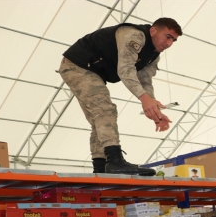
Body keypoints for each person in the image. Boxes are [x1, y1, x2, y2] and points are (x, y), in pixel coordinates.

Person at [60, 18, 182, 175]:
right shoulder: (134, 35)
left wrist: (152, 106)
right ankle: (115, 161)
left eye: (173, 40)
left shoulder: (153, 55)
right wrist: (145, 99)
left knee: (100, 118)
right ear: (153, 31)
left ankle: (101, 167)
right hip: (78, 65)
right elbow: (125, 69)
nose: (169, 43)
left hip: (93, 71)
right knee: (105, 109)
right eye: (168, 36)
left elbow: (145, 81)